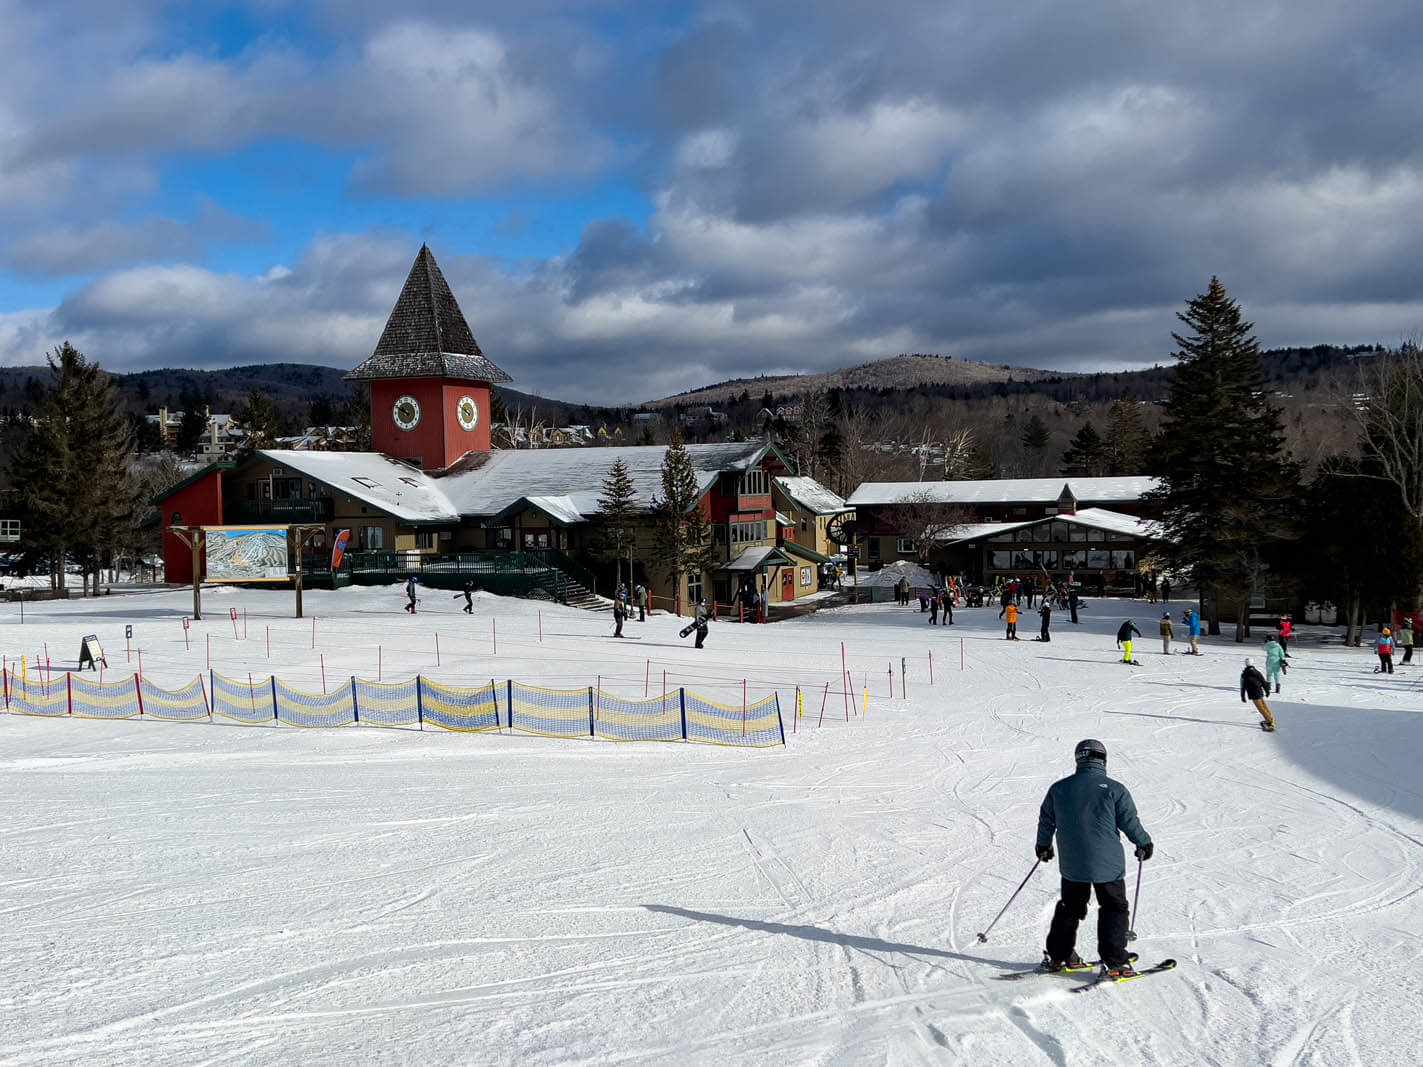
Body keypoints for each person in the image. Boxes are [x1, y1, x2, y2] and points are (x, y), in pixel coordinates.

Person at [1035, 739, 1153, 978]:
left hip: (1072, 864)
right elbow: (1129, 821)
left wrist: (1043, 845)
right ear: (1103, 759)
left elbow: (1046, 818)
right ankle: (1115, 961)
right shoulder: (1114, 789)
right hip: (1107, 864)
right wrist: (1143, 842)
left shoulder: (1059, 788)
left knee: (1070, 907)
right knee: (1113, 907)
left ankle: (1059, 955)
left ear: (1079, 758)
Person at [1240, 657, 1276, 730]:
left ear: (1245, 664)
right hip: (1259, 691)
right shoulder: (1257, 672)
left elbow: (1242, 686)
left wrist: (1242, 696)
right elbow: (1263, 682)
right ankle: (1270, 718)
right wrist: (1267, 691)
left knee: (1261, 708)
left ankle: (1269, 722)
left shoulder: (1244, 674)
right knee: (1264, 706)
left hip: (1253, 693)